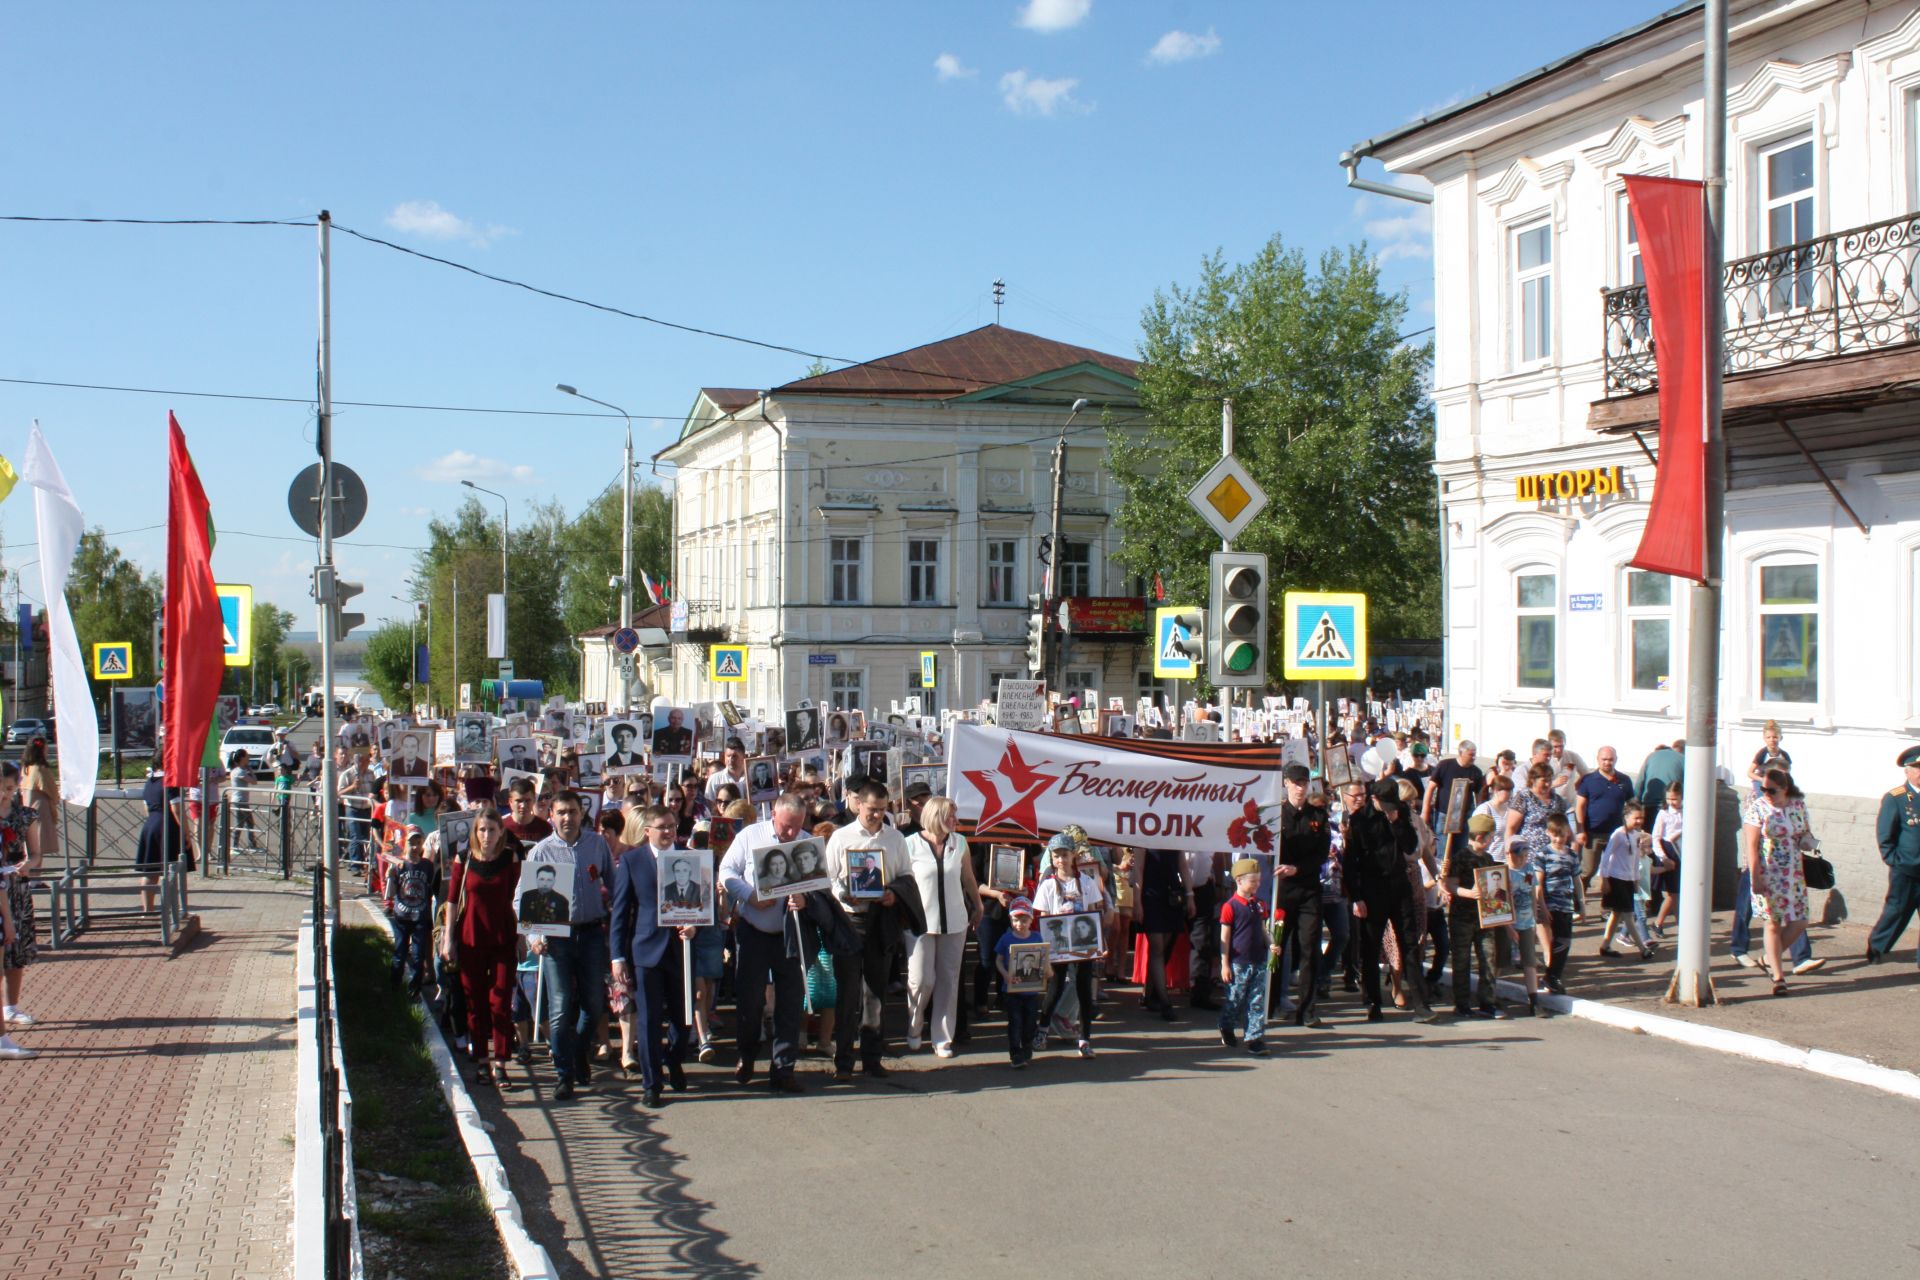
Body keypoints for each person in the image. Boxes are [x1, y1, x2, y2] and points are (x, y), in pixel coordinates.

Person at [519, 792, 614, 1100]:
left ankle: (578, 1051)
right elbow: (522, 898)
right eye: (561, 812)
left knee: (593, 1004)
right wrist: (533, 937)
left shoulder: (596, 844)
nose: (567, 818)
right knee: (559, 1009)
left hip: (590, 934)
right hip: (556, 938)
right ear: (552, 815)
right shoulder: (541, 851)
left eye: (572, 811)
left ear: (580, 813)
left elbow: (613, 885)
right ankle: (565, 1073)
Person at [721, 793, 814, 1093]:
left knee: (789, 1001)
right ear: (774, 814)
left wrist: (805, 898)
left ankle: (783, 1068)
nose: (791, 833)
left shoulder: (807, 842)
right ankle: (747, 1054)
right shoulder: (751, 835)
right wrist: (749, 895)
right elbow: (727, 872)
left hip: (789, 933)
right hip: (754, 931)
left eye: (796, 827)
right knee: (750, 999)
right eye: (787, 826)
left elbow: (819, 886)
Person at [610, 805, 691, 1108]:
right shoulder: (632, 861)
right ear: (648, 832)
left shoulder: (689, 856)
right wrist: (617, 956)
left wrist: (694, 927)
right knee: (648, 1020)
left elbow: (702, 901)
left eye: (672, 825)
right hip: (646, 950)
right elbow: (620, 912)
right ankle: (651, 1082)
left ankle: (674, 1059)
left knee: (683, 1018)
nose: (669, 832)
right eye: (662, 827)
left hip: (680, 948)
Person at [1346, 780, 1441, 1024]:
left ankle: (1421, 1003)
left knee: (1410, 944)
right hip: (1371, 889)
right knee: (1370, 947)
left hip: (1399, 886)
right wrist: (1356, 897)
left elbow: (1411, 846)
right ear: (1374, 799)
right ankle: (1373, 1002)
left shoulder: (1402, 814)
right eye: (1383, 804)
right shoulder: (1359, 820)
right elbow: (1351, 862)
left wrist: (1397, 821)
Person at [442, 809, 521, 1088]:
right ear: (475, 832)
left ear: (501, 831)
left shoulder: (511, 859)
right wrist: (447, 938)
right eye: (481, 830)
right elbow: (452, 900)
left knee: (499, 1003)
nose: (486, 836)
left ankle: (501, 1062)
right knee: (474, 1002)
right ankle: (482, 1061)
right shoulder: (463, 859)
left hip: (502, 938)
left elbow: (519, 896)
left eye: (492, 830)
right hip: (470, 939)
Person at [903, 796, 980, 1058]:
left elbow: (967, 877)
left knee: (949, 979)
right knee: (921, 980)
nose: (955, 822)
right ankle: (914, 1027)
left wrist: (977, 905)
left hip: (955, 920)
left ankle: (942, 1037)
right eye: (950, 817)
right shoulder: (910, 844)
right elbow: (903, 881)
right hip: (920, 923)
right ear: (936, 816)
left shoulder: (959, 843)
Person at [1744, 769, 1818, 996]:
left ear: (1785, 789)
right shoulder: (1758, 808)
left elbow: (1805, 832)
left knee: (1800, 921)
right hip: (1768, 873)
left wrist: (1808, 842)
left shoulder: (1797, 806)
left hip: (1793, 873)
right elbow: (1752, 846)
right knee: (1772, 923)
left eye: (1771, 790)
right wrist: (1755, 877)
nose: (1766, 793)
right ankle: (1778, 977)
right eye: (1763, 789)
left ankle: (1768, 957)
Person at [1033, 834, 1107, 1058]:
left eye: (1065, 855)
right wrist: (1045, 947)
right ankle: (1042, 1030)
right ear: (1052, 859)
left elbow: (1095, 911)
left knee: (1084, 990)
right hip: (1058, 944)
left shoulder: (1085, 881)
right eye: (1057, 856)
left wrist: (1100, 941)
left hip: (1083, 943)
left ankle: (1085, 1039)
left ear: (1073, 855)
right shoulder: (1047, 885)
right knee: (1054, 989)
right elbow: (1044, 916)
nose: (1061, 860)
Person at [1273, 764, 1332, 1028]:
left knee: (1309, 949)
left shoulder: (1317, 816)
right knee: (1277, 948)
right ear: (1286, 783)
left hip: (1308, 889)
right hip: (1282, 891)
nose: (1300, 788)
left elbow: (1321, 854)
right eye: (1296, 783)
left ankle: (1307, 1009)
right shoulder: (1275, 815)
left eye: (1304, 783)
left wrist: (1298, 868)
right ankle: (1273, 1002)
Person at [1440, 814, 1503, 1019]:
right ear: (1481, 837)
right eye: (1490, 837)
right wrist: (1470, 894)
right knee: (1462, 960)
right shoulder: (1461, 857)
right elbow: (1450, 885)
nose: (1491, 841)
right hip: (1462, 916)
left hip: (1485, 916)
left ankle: (1487, 1002)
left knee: (1488, 959)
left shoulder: (1487, 858)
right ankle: (1462, 1003)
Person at [1868, 744, 1920, 965]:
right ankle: (1877, 947)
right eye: (1917, 768)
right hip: (1905, 869)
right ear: (1907, 771)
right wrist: (1894, 861)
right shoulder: (1896, 798)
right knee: (1897, 911)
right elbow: (1885, 835)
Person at [1216, 858, 1273, 1056]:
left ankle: (1254, 1038)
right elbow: (1225, 937)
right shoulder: (1230, 906)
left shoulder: (1259, 904)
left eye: (1258, 881)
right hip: (1238, 962)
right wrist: (1224, 964)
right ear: (1239, 880)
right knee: (1236, 999)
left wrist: (1271, 944)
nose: (1257, 885)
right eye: (1253, 881)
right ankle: (1226, 1025)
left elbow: (1264, 929)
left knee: (1256, 999)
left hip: (1258, 959)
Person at [0, 763, 38, 1049]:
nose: (5, 793)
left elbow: (36, 854)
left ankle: (11, 1006)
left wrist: (28, 866)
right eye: (2, 788)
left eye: (11, 788)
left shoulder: (23, 816)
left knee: (17, 950)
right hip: (2, 886)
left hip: (16, 887)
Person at [1137, 846, 1192, 1021]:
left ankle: (1150, 994)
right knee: (1157, 947)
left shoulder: (1174, 836)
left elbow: (1183, 866)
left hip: (1172, 894)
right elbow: (1138, 869)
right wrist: (1137, 901)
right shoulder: (1143, 836)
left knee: (1164, 947)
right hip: (1151, 894)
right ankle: (1165, 1002)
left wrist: (1190, 896)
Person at [1597, 803, 1655, 960]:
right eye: (1636, 818)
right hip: (1616, 878)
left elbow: (1635, 859)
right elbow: (1606, 856)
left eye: (1641, 818)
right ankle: (1643, 949)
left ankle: (1605, 945)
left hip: (1628, 879)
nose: (1639, 821)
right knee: (1629, 915)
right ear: (1626, 817)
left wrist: (1636, 879)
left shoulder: (1636, 835)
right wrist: (1604, 879)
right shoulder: (1618, 834)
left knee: (1616, 914)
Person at [134, 760, 192, 913]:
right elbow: (177, 810)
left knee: (150, 871)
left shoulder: (150, 782)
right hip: (168, 827)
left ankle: (148, 911)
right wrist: (187, 833)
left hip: (151, 825)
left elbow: (146, 807)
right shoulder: (170, 781)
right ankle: (173, 912)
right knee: (171, 871)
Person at [994, 897, 1046, 1068]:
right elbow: (999, 960)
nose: (1020, 924)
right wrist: (1004, 974)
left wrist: (1046, 971)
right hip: (1012, 990)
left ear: (1031, 920)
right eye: (1016, 920)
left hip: (1031, 991)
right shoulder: (1006, 938)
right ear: (1010, 920)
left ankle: (1027, 1045)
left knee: (1030, 1022)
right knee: (1015, 1021)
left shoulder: (1037, 938)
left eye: (1024, 920)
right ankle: (1016, 1052)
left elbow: (1044, 959)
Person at [388, 827, 440, 993]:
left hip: (420, 916)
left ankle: (414, 990)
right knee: (400, 952)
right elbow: (390, 892)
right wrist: (390, 876)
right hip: (402, 916)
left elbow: (432, 887)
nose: (416, 847)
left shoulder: (427, 865)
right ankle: (394, 986)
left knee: (418, 956)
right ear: (405, 844)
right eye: (412, 843)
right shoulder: (399, 865)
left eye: (418, 843)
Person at [1574, 746, 1635, 888]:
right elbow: (1580, 806)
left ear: (1616, 760)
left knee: (1613, 872)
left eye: (1611, 759)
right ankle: (1578, 902)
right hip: (1593, 833)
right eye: (1604, 759)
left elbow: (1632, 805)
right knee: (1588, 870)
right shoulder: (1589, 780)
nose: (1608, 762)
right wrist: (1581, 830)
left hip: (1616, 834)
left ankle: (1607, 906)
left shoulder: (1625, 780)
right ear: (1598, 759)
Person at [18, 740, 56, 872]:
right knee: (39, 846)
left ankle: (32, 876)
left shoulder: (25, 768)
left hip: (27, 808)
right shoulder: (40, 769)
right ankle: (35, 878)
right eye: (45, 749)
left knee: (31, 847)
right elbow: (51, 789)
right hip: (41, 809)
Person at [1747, 720, 1791, 798]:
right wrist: (1762, 779)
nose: (1772, 740)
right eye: (1768, 737)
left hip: (1777, 784)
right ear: (1764, 738)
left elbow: (1787, 773)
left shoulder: (1784, 755)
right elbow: (1750, 773)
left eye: (1775, 737)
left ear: (1781, 738)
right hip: (1762, 784)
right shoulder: (1762, 753)